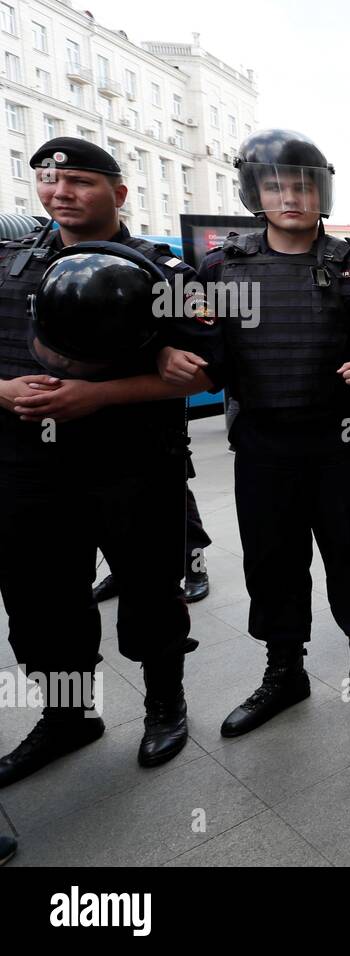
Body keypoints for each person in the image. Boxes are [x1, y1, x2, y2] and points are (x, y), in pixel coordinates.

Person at [0, 137, 213, 785]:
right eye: (49, 180)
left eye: (80, 182)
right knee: (41, 604)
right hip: (28, 469)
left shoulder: (166, 275)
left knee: (150, 591)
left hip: (133, 464)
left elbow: (198, 371)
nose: (60, 192)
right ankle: (69, 718)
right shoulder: (10, 263)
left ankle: (164, 704)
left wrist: (96, 396)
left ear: (119, 193)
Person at [190, 129, 350, 737]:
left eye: (302, 185)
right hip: (262, 443)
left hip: (342, 443)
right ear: (256, 189)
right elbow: (210, 356)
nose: (290, 197)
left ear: (321, 191)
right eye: (277, 185)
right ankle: (285, 671)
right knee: (272, 562)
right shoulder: (222, 267)